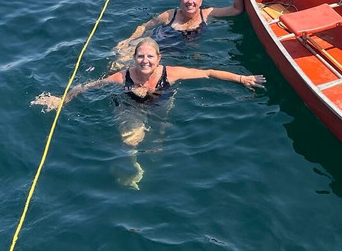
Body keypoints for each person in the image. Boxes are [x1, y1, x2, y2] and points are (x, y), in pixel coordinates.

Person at [31, 38, 264, 189]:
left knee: (159, 141)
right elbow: (88, 86)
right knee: (132, 138)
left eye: (150, 56)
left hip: (160, 104)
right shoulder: (122, 77)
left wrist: (242, 78)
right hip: (130, 105)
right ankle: (131, 167)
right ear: (134, 59)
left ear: (158, 58)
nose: (145, 60)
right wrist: (61, 100)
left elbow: (208, 73)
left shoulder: (171, 73)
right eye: (140, 56)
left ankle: (150, 148)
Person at [114, 0, 245, 59]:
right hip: (153, 45)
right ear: (180, 1)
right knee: (120, 56)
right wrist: (129, 39)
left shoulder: (207, 14)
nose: (190, 1)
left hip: (171, 56)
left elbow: (236, 9)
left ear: (201, 1)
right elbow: (144, 27)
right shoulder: (170, 14)